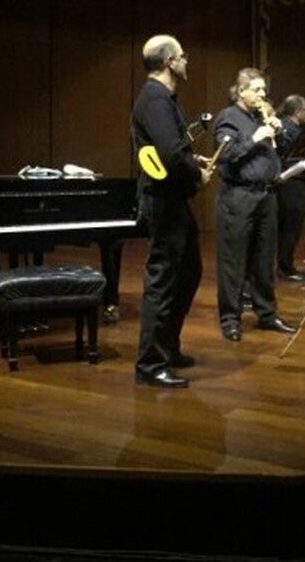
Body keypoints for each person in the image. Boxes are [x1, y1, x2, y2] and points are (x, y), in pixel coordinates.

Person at [131, 35, 211, 388]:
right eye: (182, 55)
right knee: (163, 280)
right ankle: (151, 364)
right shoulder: (155, 100)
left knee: (189, 271)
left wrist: (193, 160)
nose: (186, 60)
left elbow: (175, 150)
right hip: (163, 202)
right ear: (168, 62)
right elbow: (167, 155)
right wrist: (198, 174)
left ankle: (167, 347)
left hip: (171, 200)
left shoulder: (161, 99)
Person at [212, 68, 297, 342]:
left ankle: (267, 314)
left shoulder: (260, 116)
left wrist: (279, 134)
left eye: (264, 90)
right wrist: (256, 137)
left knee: (264, 259)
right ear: (241, 91)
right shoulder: (229, 118)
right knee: (233, 261)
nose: (263, 95)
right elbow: (224, 157)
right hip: (239, 196)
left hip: (266, 195)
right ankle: (230, 319)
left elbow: (281, 153)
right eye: (257, 90)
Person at [275, 94, 305, 281]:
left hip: (293, 183)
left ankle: (284, 264)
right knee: (291, 227)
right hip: (292, 184)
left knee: (289, 228)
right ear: (298, 111)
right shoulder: (290, 130)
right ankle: (285, 266)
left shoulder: (288, 126)